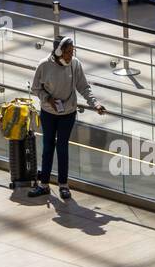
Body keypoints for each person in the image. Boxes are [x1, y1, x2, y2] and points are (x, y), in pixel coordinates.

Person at [28, 37, 106, 200]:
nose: (71, 55)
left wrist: (95, 104)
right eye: (68, 52)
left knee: (62, 148)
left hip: (68, 113)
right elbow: (36, 88)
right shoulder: (44, 65)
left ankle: (63, 185)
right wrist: (48, 99)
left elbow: (83, 87)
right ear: (58, 52)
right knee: (48, 147)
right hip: (49, 113)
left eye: (72, 52)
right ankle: (44, 185)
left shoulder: (75, 64)